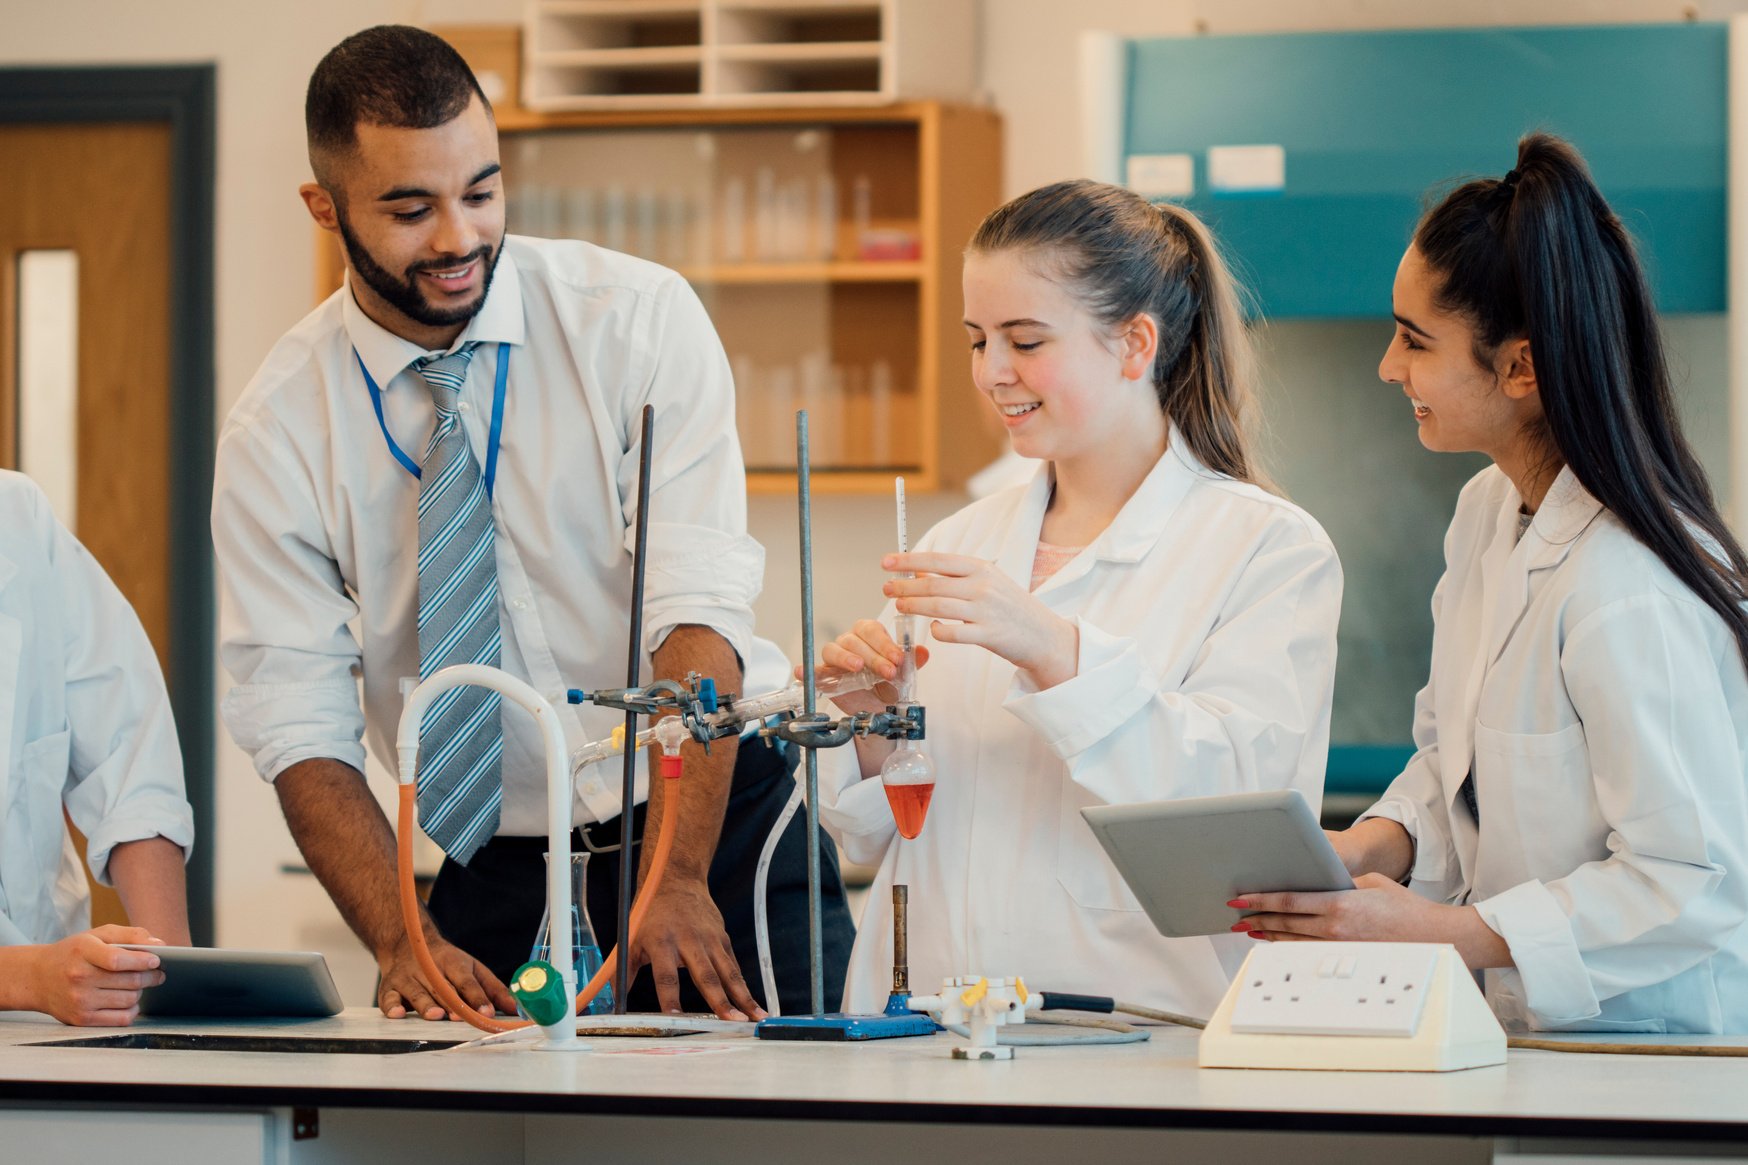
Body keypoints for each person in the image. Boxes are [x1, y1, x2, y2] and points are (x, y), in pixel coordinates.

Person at [212, 25, 851, 1023]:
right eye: (410, 208)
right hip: (493, 873)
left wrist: (676, 873)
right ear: (324, 208)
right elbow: (297, 719)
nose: (458, 238)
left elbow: (697, 610)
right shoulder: (278, 428)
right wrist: (400, 935)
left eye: (480, 190)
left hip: (709, 828)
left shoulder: (633, 320)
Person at [1235, 134, 1748, 1034]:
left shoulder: (1630, 584)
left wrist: (1448, 930)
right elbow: (1452, 763)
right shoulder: (1486, 512)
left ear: (1520, 368)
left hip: (1662, 1060)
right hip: (1527, 1042)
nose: (1390, 368)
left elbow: (1692, 882)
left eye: (1414, 341)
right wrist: (1364, 847)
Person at [813, 180, 1343, 1017]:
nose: (992, 372)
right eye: (978, 339)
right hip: (925, 1023)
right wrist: (873, 724)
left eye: (1025, 339)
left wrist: (1053, 648)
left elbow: (1244, 819)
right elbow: (878, 829)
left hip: (1137, 1026)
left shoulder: (1267, 549)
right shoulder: (958, 545)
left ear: (1135, 344)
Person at [0, 471, 194, 1025]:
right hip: (43, 992)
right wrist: (28, 978)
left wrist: (172, 980)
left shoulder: (17, 519)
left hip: (52, 1024)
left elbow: (130, 753)